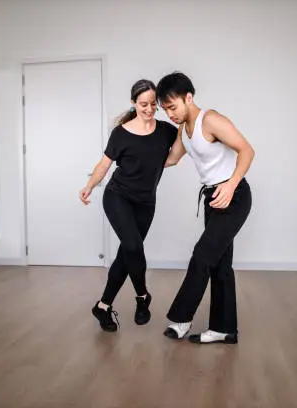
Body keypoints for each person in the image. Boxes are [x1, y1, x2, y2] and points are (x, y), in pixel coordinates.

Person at [157, 72, 255, 344]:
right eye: (165, 109)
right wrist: (135, 153)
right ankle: (224, 329)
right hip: (213, 199)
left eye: (173, 107)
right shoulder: (183, 131)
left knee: (202, 255)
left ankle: (181, 319)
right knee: (219, 265)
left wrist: (232, 184)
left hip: (233, 197)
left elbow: (247, 150)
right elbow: (171, 160)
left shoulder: (210, 120)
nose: (170, 114)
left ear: (189, 97)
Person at [80, 79, 178, 332]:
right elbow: (104, 165)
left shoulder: (166, 130)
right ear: (133, 103)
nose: (148, 109)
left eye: (153, 104)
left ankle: (103, 307)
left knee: (127, 255)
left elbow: (176, 154)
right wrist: (90, 185)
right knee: (133, 246)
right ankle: (142, 297)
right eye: (143, 104)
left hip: (146, 202)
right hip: (117, 196)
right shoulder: (121, 133)